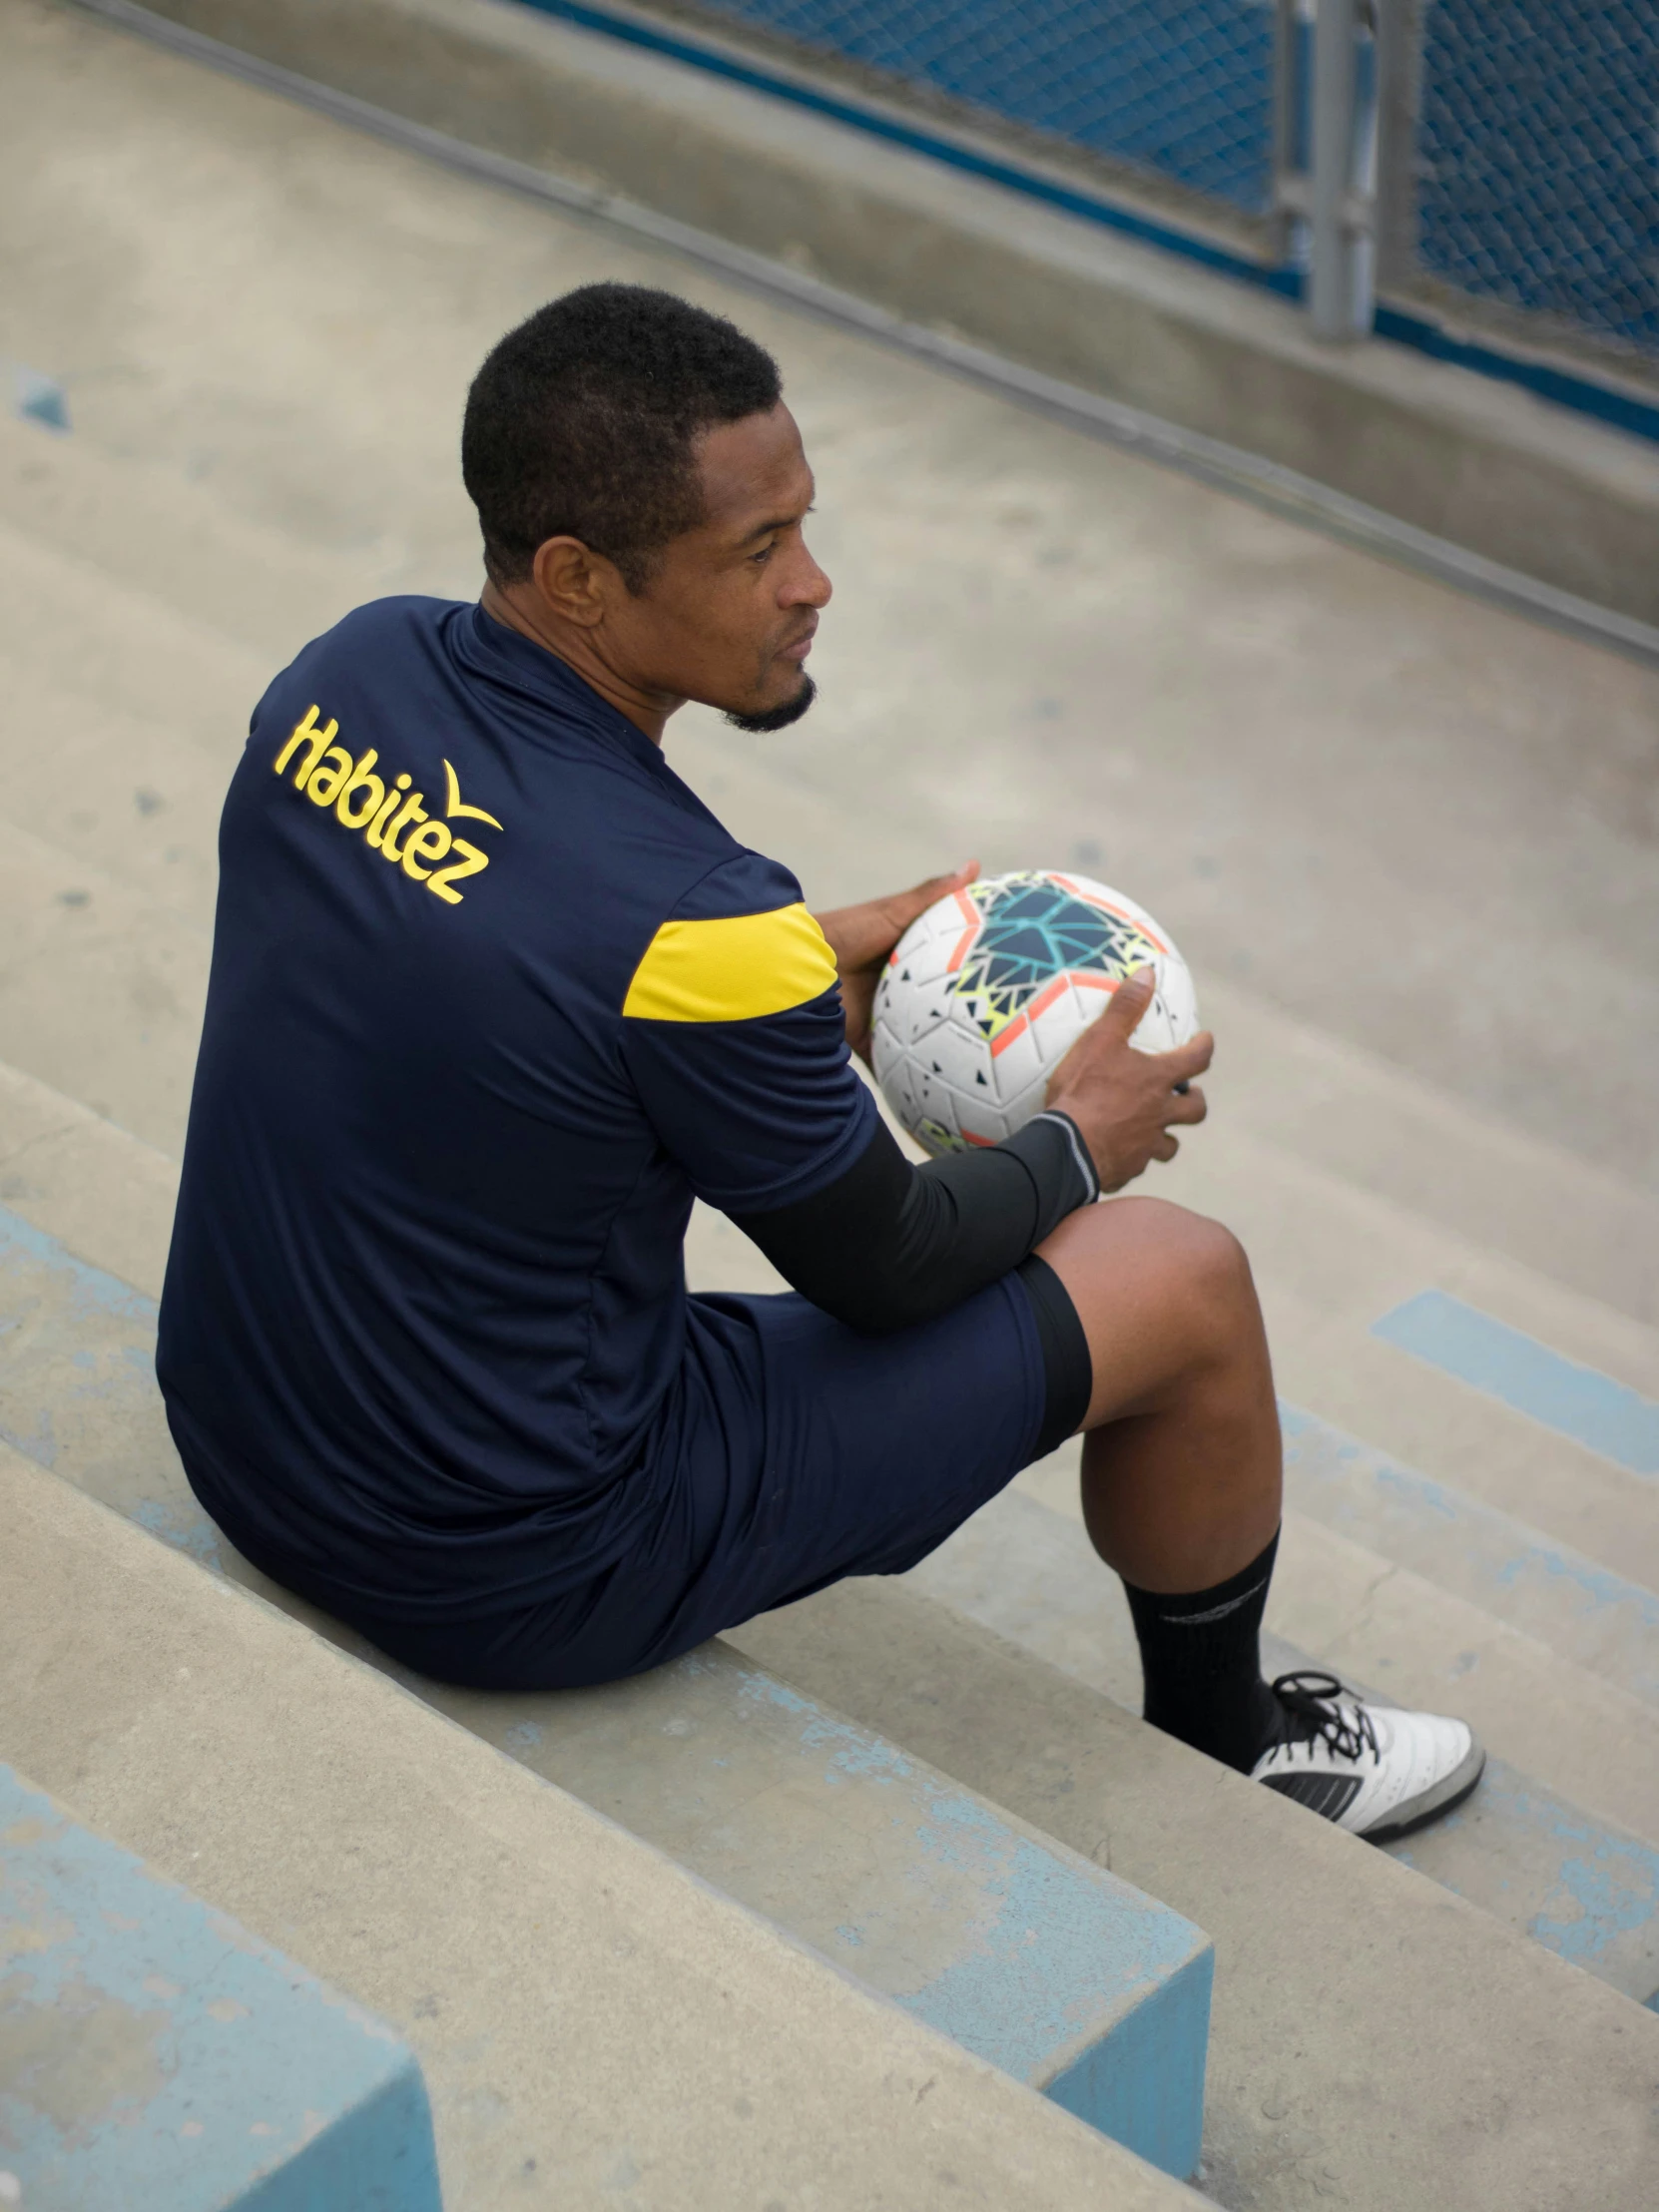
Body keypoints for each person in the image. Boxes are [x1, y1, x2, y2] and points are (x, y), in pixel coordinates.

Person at [158, 282, 1482, 1843]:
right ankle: (1240, 1747)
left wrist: (776, 962)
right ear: (578, 576)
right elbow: (897, 1266)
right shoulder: (691, 926)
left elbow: (490, 946)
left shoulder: (341, 677)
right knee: (1181, 1280)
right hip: (506, 1562)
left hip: (243, 1437)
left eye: (805, 526)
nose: (813, 583)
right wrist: (1077, 1138)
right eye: (755, 551)